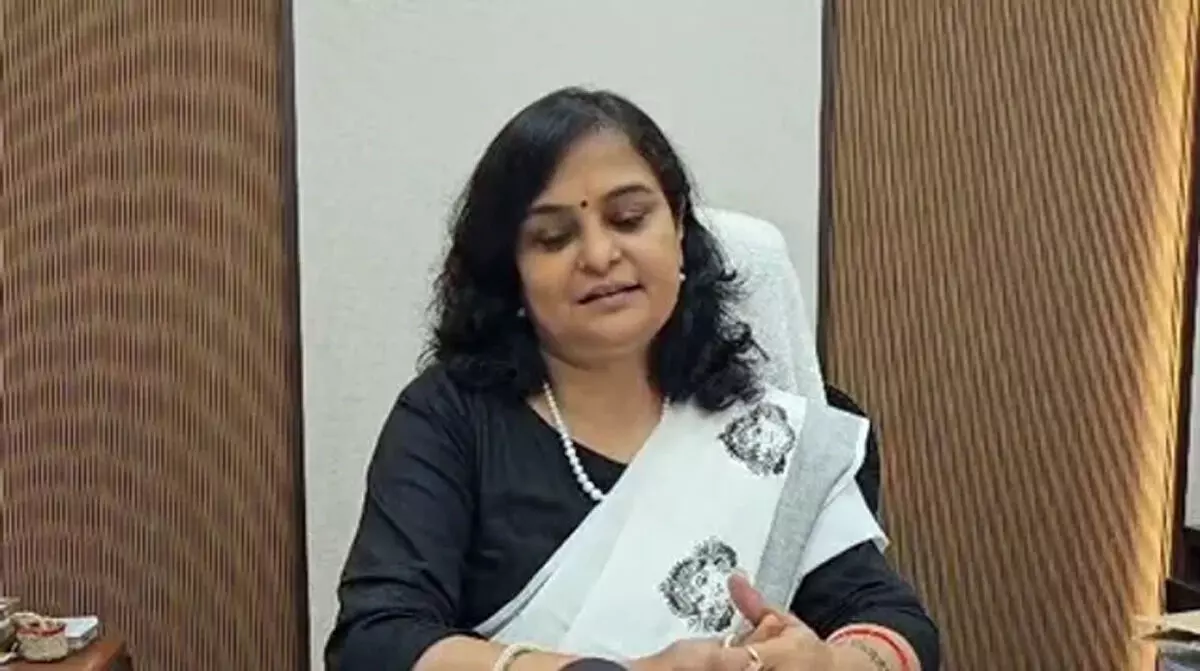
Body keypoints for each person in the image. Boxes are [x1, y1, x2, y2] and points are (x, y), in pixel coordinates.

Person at [326, 87, 940, 670]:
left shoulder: (761, 434)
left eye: (628, 218)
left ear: (678, 228)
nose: (599, 256)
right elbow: (376, 642)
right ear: (511, 270)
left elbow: (892, 621)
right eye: (553, 237)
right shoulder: (452, 417)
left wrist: (832, 661)